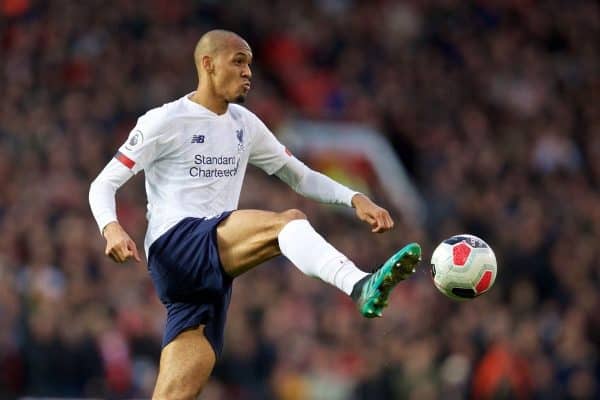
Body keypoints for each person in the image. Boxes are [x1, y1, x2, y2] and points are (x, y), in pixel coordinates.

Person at [89, 29, 421, 399]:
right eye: (238, 61)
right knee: (287, 223)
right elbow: (102, 184)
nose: (249, 72)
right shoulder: (165, 121)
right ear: (207, 64)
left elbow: (300, 175)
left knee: (177, 389)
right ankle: (359, 284)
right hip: (176, 244)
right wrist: (112, 228)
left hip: (206, 273)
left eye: (250, 63)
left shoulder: (245, 125)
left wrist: (355, 197)